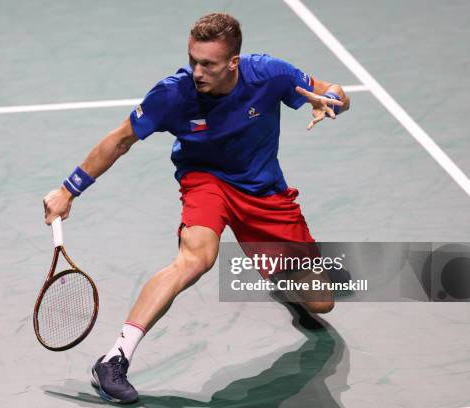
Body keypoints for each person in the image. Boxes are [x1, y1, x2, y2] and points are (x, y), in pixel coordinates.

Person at [43, 12, 350, 404]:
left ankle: (278, 274)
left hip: (263, 190)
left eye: (208, 64)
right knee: (195, 259)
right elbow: (120, 140)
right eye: (193, 60)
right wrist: (69, 189)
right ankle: (114, 358)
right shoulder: (174, 94)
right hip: (206, 181)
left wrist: (334, 101)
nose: (198, 71)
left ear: (233, 62)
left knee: (322, 301)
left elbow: (335, 93)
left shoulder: (270, 74)